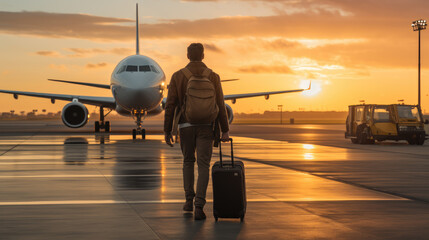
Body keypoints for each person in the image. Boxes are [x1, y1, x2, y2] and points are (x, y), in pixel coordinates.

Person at [164, 43, 230, 220]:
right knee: (203, 165)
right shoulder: (213, 76)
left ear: (187, 55)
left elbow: (170, 105)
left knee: (187, 161)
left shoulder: (178, 76)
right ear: (203, 55)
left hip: (185, 127)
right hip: (207, 127)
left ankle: (188, 200)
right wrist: (225, 130)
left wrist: (167, 130)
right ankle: (199, 205)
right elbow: (221, 105)